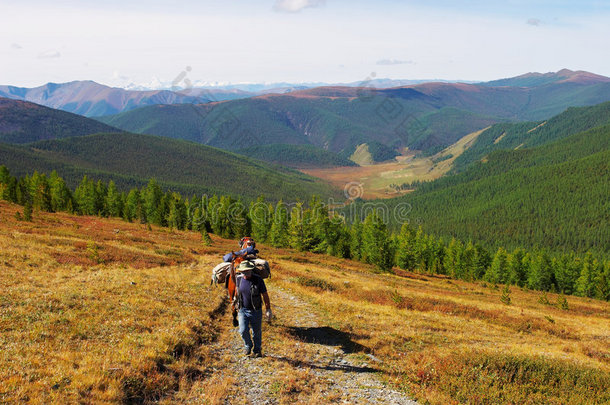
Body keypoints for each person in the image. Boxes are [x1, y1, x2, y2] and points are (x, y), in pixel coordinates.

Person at [235, 260, 272, 357]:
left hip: (256, 310)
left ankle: (257, 350)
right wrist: (236, 301)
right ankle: (248, 345)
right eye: (243, 271)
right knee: (242, 330)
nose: (245, 273)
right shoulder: (238, 279)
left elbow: (265, 294)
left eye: (247, 271)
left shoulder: (258, 279)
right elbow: (238, 291)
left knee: (256, 332)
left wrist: (268, 309)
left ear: (251, 270)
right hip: (243, 310)